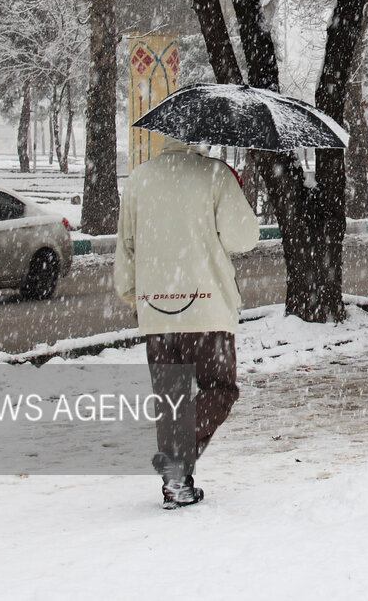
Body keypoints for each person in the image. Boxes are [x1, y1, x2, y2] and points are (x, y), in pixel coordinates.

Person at [114, 138, 260, 509]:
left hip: (155, 313)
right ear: (201, 140)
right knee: (221, 389)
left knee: (170, 399)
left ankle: (176, 477)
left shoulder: (139, 179)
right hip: (207, 310)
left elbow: (126, 249)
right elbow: (244, 238)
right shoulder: (215, 175)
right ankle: (178, 458)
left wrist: (136, 298)